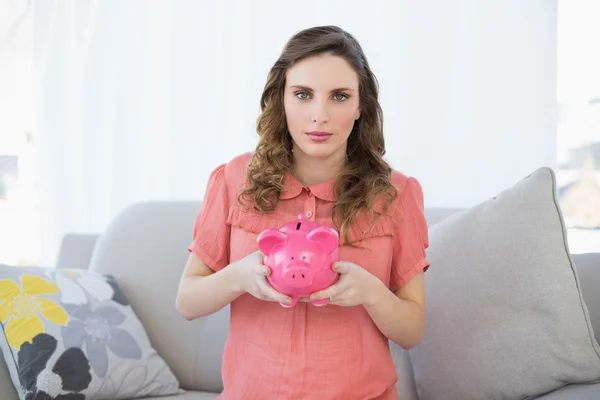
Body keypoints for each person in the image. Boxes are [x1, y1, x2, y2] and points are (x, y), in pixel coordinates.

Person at [175, 25, 430, 400]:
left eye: (339, 96)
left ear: (361, 106)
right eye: (303, 95)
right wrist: (239, 277)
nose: (319, 115)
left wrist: (372, 293)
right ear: (282, 99)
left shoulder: (397, 193)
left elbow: (413, 331)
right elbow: (187, 302)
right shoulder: (233, 179)